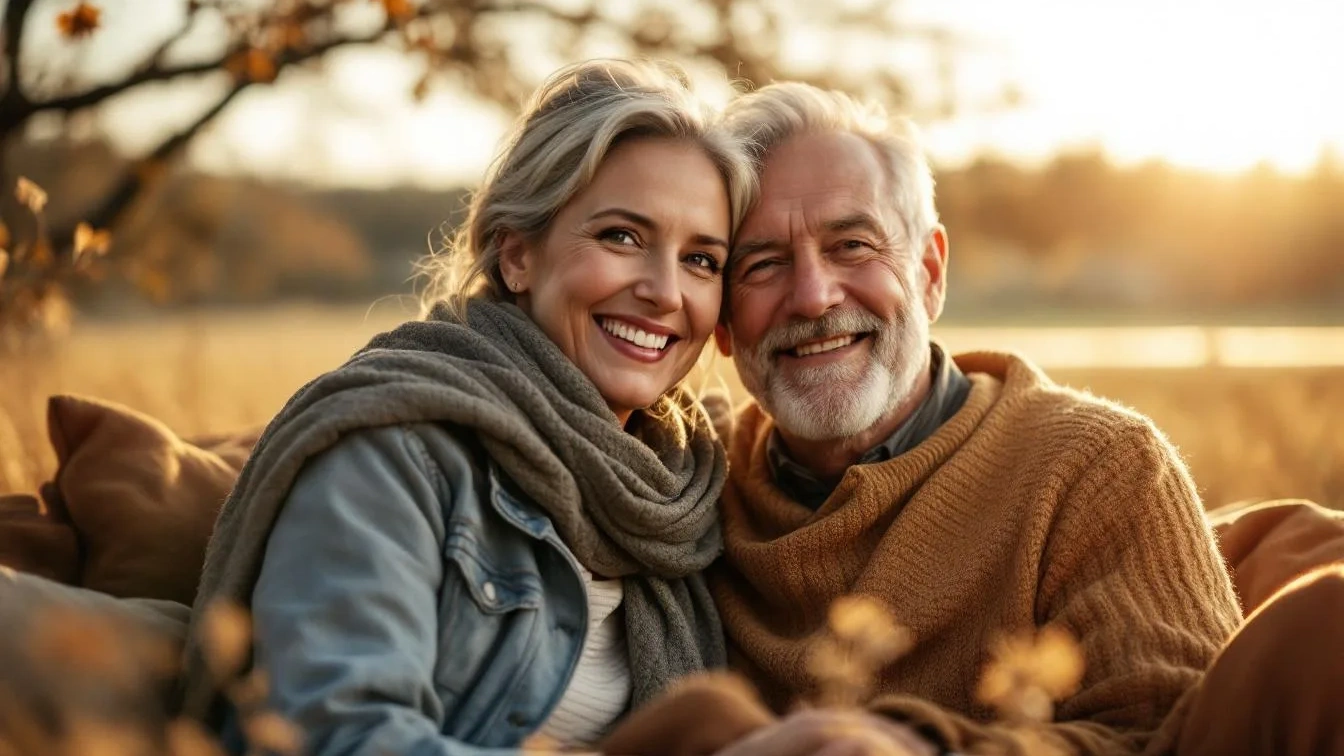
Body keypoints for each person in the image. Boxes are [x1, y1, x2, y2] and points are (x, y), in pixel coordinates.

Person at [610, 83, 1343, 756]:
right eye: (762, 263)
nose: (812, 296)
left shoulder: (1099, 465)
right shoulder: (685, 491)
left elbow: (1169, 735)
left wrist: (917, 749)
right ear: (725, 324)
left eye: (852, 246)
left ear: (929, 273)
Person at [172, 59, 756, 755]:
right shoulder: (395, 453)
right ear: (517, 256)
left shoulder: (681, 491)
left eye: (702, 260)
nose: (665, 291)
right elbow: (330, 736)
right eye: (621, 237)